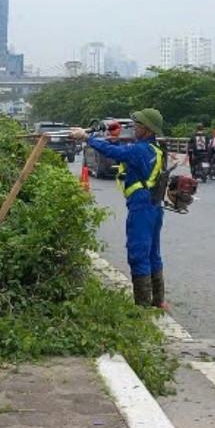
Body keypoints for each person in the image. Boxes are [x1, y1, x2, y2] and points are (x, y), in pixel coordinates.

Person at [70, 108, 169, 308]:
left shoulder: (138, 150)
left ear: (148, 129)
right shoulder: (154, 149)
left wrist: (86, 137)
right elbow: (121, 148)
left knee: (138, 253)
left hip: (141, 207)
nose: (134, 128)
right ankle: (158, 301)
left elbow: (113, 152)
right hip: (154, 205)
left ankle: (142, 307)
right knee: (152, 253)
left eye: (138, 125)